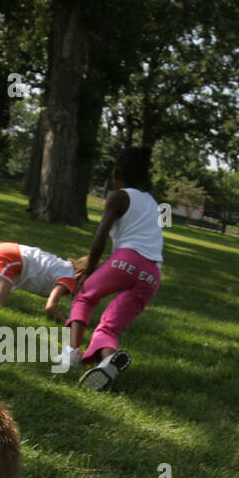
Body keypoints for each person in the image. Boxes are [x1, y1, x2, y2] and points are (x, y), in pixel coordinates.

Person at [55, 146, 165, 391]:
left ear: (117, 173)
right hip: (152, 275)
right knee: (111, 325)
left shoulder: (119, 196)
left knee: (85, 296)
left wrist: (89, 272)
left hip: (126, 260)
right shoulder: (154, 203)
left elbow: (100, 239)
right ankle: (107, 362)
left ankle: (71, 352)